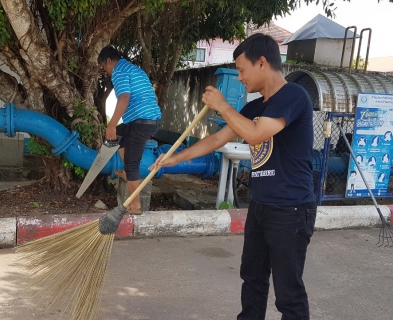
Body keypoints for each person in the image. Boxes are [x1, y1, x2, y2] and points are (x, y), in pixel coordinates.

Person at [150, 33, 316, 320]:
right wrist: (173, 159)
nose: (239, 77)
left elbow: (254, 134)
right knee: (252, 279)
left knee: (288, 293)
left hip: (291, 208)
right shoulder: (254, 107)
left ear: (262, 62)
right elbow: (216, 140)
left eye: (241, 70)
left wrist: (223, 106)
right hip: (262, 205)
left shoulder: (293, 96)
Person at [98, 46, 162, 214]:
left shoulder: (118, 71)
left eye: (104, 67)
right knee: (119, 134)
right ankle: (128, 172)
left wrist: (111, 125)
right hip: (151, 120)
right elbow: (153, 97)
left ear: (109, 61)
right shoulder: (135, 70)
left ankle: (135, 207)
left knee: (132, 164)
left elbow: (124, 97)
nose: (105, 72)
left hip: (140, 123)